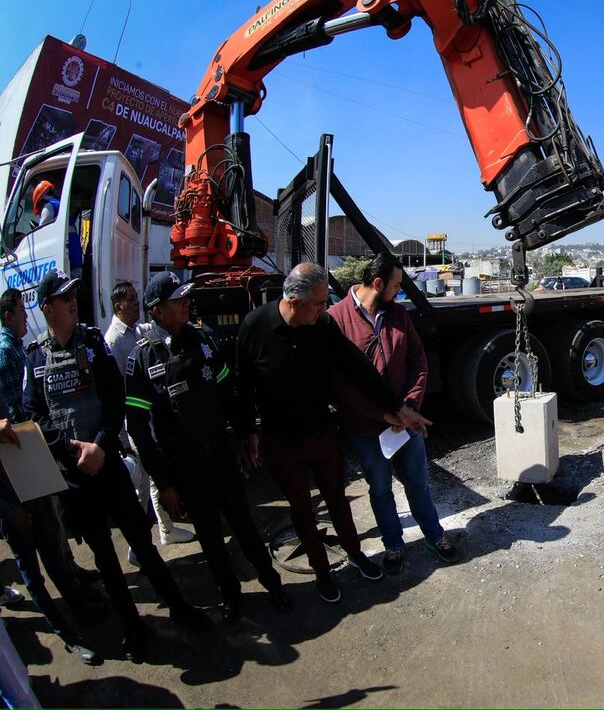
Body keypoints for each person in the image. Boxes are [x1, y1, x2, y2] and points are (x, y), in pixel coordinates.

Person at [24, 270, 211, 661]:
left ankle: (179, 607)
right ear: (47, 309)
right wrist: (71, 452)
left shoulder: (93, 343)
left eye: (75, 293)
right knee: (106, 561)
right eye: (64, 297)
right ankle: (133, 628)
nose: (74, 300)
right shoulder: (35, 357)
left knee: (142, 543)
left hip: (107, 466)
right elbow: (32, 414)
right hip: (74, 478)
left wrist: (101, 446)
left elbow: (115, 398)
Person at [125, 273, 292, 624]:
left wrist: (248, 435)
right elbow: (139, 431)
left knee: (245, 527)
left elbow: (230, 393)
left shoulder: (203, 340)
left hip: (222, 457)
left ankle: (273, 584)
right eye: (178, 300)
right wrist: (165, 483)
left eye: (187, 297)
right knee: (212, 540)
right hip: (185, 469)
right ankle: (231, 597)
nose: (187, 303)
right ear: (157, 311)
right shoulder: (142, 360)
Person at [235, 263, 400, 603]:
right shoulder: (255, 327)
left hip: (322, 433)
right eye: (319, 303)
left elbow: (357, 367)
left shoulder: (322, 326)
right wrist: (246, 430)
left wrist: (394, 406)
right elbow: (242, 385)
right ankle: (322, 572)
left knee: (338, 500)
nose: (326, 310)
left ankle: (355, 555)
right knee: (301, 508)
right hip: (282, 441)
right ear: (294, 303)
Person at [328, 252, 460, 573]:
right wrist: (385, 416)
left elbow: (418, 362)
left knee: (418, 483)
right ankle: (394, 545)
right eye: (396, 285)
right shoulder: (336, 319)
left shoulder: (398, 314)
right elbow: (341, 387)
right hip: (367, 429)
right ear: (377, 283)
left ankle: (434, 535)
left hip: (406, 424)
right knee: (381, 490)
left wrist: (410, 407)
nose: (399, 292)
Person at [0, 288, 98, 665]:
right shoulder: (7, 352)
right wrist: (8, 510)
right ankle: (66, 633)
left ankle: (80, 607)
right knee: (31, 570)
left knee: (54, 547)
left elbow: (20, 416)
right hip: (9, 493)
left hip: (26, 470)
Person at [103, 280, 194, 557]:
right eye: (130, 300)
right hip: (135, 424)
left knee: (149, 480)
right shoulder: (115, 341)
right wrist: (124, 436)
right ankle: (146, 541)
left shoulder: (135, 331)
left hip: (147, 419)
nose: (135, 304)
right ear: (118, 305)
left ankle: (156, 535)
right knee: (149, 481)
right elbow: (119, 392)